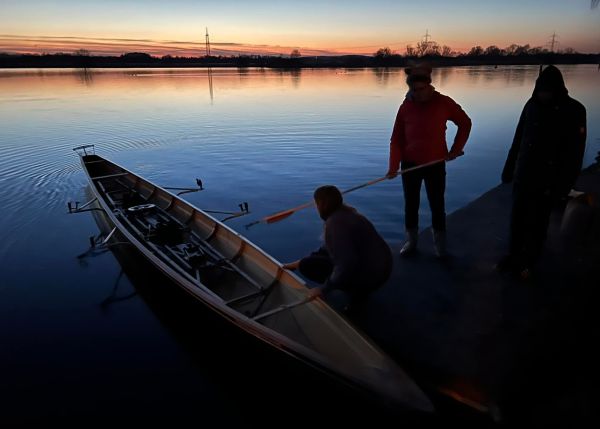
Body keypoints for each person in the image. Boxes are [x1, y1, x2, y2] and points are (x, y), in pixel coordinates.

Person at [499, 65, 586, 279]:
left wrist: (564, 186)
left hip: (549, 179)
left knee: (538, 222)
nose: (543, 94)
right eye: (541, 90)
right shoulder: (531, 105)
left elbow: (575, 153)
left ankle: (529, 261)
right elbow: (518, 138)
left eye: (547, 91)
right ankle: (513, 255)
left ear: (558, 89)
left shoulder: (575, 110)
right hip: (524, 173)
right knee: (517, 219)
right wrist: (509, 168)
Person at [386, 63, 472, 257]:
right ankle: (412, 242)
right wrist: (393, 167)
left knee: (437, 204)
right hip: (409, 164)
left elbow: (465, 123)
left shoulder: (443, 102)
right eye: (413, 90)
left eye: (421, 89)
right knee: (411, 204)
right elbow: (396, 139)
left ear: (429, 85)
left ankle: (440, 246)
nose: (417, 93)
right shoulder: (405, 107)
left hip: (435, 163)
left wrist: (455, 149)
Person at [283, 185, 392, 315]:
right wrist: (297, 263)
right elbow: (329, 247)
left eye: (316, 204)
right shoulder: (348, 213)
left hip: (371, 277)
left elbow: (347, 263)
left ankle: (357, 292)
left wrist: (324, 289)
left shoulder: (335, 223)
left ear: (321, 204)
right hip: (382, 268)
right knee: (307, 261)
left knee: (308, 266)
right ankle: (359, 289)